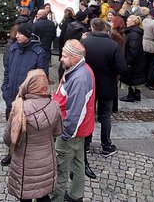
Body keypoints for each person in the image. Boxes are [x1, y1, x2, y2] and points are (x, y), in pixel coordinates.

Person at [4, 70, 62, 202]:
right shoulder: (54, 105)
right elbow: (57, 132)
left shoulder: (19, 108)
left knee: (25, 196)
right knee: (43, 195)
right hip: (47, 161)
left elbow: (8, 138)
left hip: (25, 163)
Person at [51, 40, 95, 202]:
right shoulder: (78, 70)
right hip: (79, 130)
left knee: (60, 168)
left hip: (70, 131)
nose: (61, 59)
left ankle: (55, 198)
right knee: (77, 163)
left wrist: (66, 133)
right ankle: (76, 195)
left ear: (75, 57)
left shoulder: (80, 78)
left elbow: (76, 110)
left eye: (64, 56)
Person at [0, 23, 49, 166]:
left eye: (20, 34)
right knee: (11, 126)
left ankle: (26, 155)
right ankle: (11, 152)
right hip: (11, 96)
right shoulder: (13, 49)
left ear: (27, 35)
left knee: (27, 129)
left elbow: (41, 79)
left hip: (28, 100)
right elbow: (7, 71)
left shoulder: (39, 53)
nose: (16, 36)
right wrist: (6, 88)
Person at [82, 18, 127, 159]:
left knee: (88, 114)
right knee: (105, 116)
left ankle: (86, 144)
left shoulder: (84, 43)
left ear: (92, 27)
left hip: (88, 84)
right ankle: (106, 146)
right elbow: (122, 67)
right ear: (104, 28)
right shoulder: (113, 45)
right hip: (107, 85)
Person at [120, 15, 148, 103]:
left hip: (133, 61)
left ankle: (131, 95)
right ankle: (136, 94)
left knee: (131, 78)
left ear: (133, 22)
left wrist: (128, 61)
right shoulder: (135, 32)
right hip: (138, 60)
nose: (126, 22)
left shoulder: (133, 34)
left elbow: (133, 49)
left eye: (128, 21)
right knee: (136, 78)